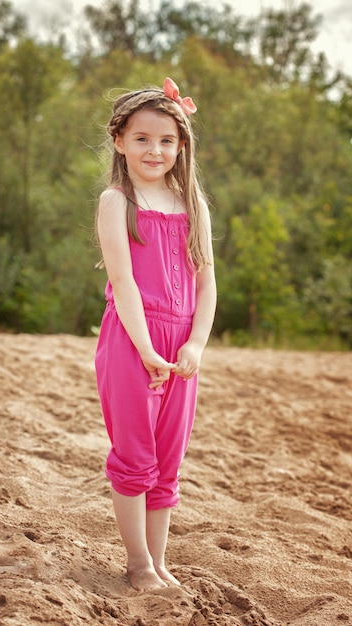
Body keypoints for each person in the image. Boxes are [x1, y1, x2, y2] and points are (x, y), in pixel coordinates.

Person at [94, 77, 216, 593]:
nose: (155, 149)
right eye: (142, 138)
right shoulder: (116, 201)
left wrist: (195, 344)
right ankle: (138, 562)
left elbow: (208, 283)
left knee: (168, 460)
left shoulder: (194, 206)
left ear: (181, 145)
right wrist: (144, 348)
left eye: (166, 140)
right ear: (120, 140)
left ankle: (159, 561)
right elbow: (122, 282)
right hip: (131, 341)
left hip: (180, 344)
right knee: (135, 456)